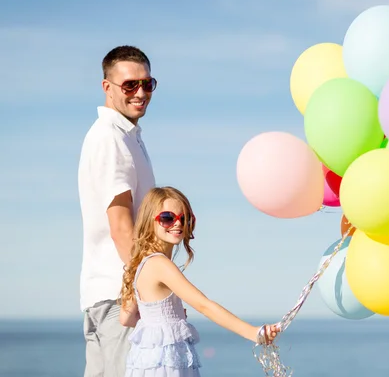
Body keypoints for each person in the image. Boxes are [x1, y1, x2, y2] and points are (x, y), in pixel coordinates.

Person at [119, 186, 281, 376]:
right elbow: (204, 305)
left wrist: (166, 316)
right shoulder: (160, 264)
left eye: (185, 218)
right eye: (167, 218)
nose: (177, 224)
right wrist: (253, 333)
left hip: (149, 362)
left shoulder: (140, 264)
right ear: (149, 221)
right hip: (167, 364)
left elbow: (126, 318)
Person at [78, 45, 158, 377]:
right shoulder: (111, 137)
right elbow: (121, 226)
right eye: (129, 85)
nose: (140, 93)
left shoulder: (126, 137)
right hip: (121, 297)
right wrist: (149, 288)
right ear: (107, 87)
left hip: (107, 294)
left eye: (147, 84)